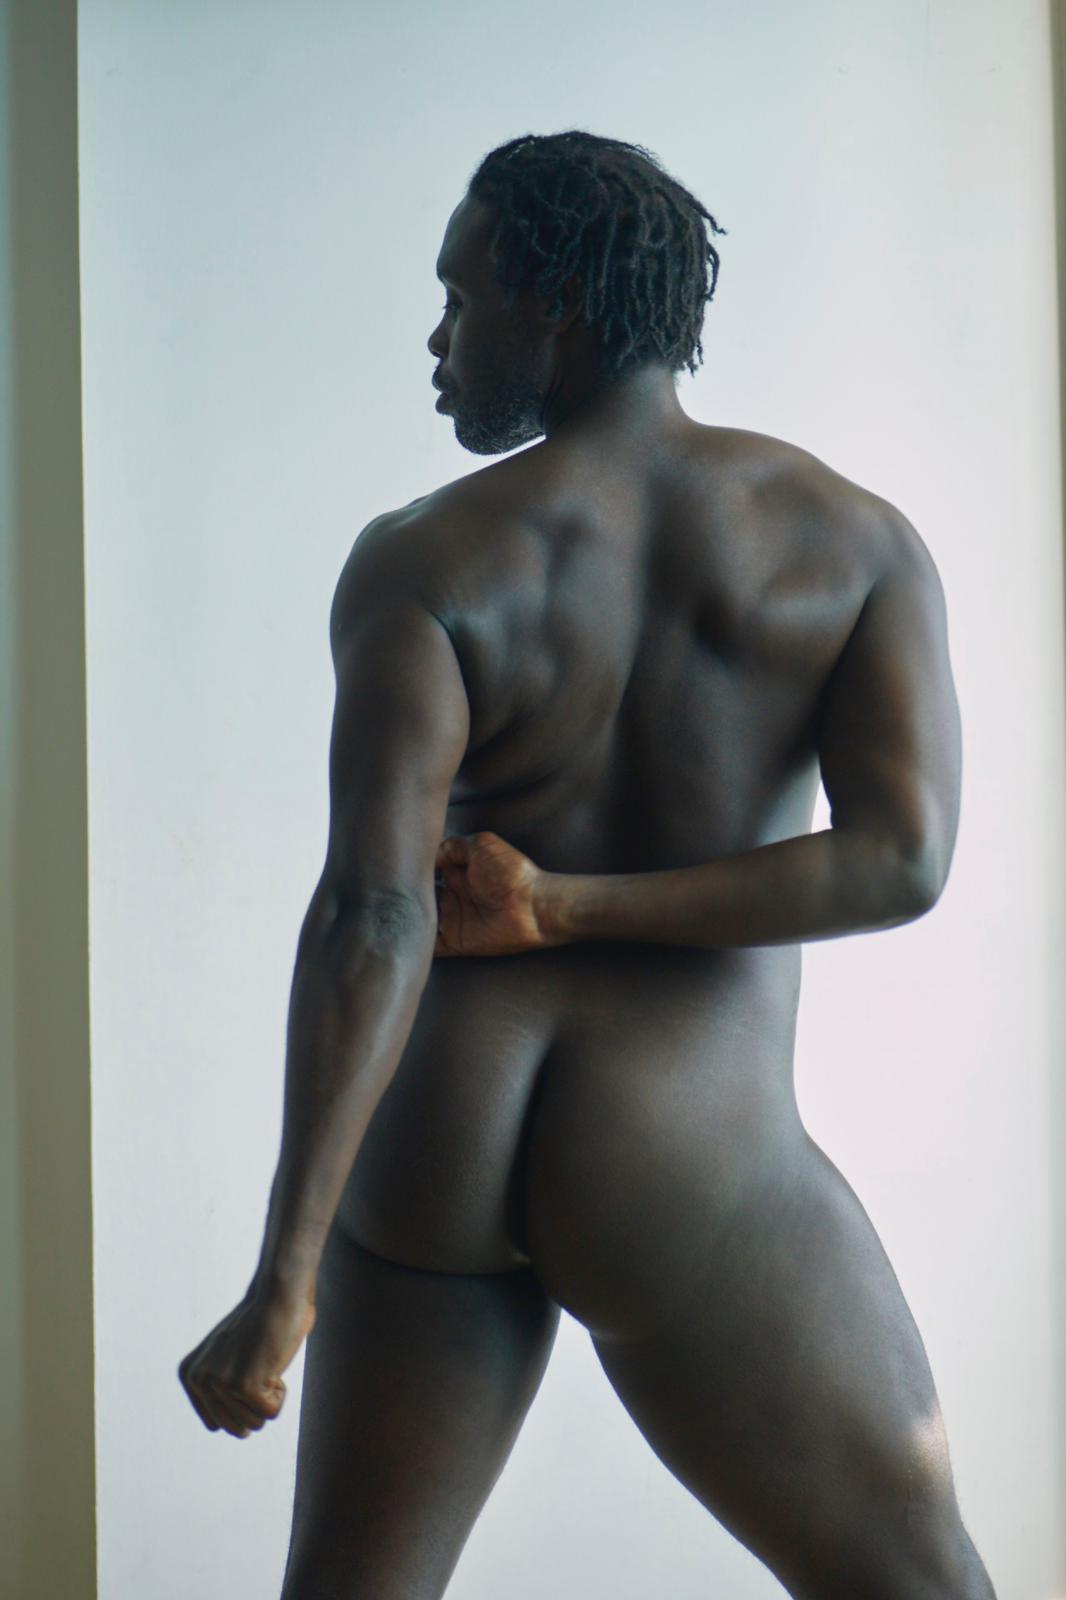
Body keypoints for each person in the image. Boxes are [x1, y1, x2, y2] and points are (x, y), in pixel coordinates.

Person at [178, 129, 997, 1599]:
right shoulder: (852, 545)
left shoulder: (424, 557)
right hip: (680, 1150)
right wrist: (569, 912)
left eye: (459, 296)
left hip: (431, 1140)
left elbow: (370, 913)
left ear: (553, 301)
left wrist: (284, 1278)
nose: (437, 341)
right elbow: (900, 860)